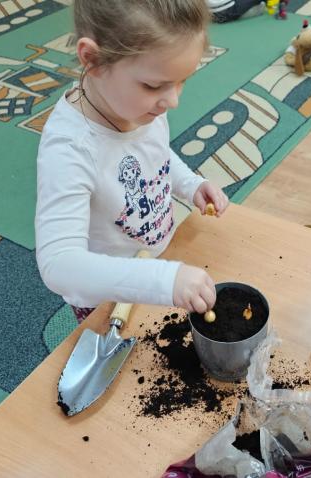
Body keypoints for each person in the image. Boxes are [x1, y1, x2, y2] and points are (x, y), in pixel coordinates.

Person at [35, 0, 228, 322]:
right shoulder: (70, 149)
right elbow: (59, 265)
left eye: (183, 80)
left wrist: (190, 183)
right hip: (109, 295)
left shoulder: (138, 107)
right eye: (153, 85)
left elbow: (155, 153)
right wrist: (161, 280)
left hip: (158, 263)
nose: (173, 100)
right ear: (92, 60)